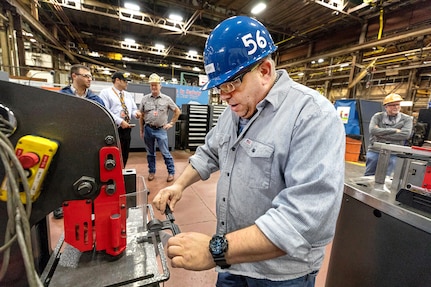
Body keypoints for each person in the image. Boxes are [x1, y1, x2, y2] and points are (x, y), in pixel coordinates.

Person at [152, 16, 345, 287]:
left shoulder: (312, 116)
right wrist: (180, 185)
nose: (224, 96)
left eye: (231, 84)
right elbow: (210, 152)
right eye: (219, 87)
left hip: (280, 276)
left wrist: (213, 251)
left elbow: (303, 220)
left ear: (265, 70)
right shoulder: (234, 112)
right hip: (233, 262)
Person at [54, 64, 105, 219]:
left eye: (90, 76)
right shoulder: (62, 96)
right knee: (63, 172)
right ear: (74, 76)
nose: (89, 79)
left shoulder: (95, 99)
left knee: (91, 172)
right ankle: (60, 204)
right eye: (86, 76)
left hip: (89, 142)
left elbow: (101, 119)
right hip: (66, 141)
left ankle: (92, 202)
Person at [139, 73, 181, 182]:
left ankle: (171, 172)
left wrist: (171, 123)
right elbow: (141, 115)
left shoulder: (166, 99)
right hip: (148, 129)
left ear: (160, 86)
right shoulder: (145, 99)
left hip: (161, 130)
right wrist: (142, 130)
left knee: (165, 152)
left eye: (155, 85)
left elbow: (177, 111)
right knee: (150, 153)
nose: (153, 87)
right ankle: (151, 172)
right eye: (151, 85)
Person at [99, 71, 141, 167]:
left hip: (126, 128)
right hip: (113, 128)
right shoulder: (106, 93)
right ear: (117, 80)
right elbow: (106, 110)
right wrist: (120, 121)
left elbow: (133, 109)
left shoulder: (127, 95)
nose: (127, 83)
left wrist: (136, 114)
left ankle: (122, 171)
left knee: (124, 152)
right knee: (113, 153)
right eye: (125, 81)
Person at [364, 93, 413, 176]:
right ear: (386, 106)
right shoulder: (378, 117)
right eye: (392, 105)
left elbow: (405, 135)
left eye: (397, 104)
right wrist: (394, 130)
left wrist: (380, 133)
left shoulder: (407, 119)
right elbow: (373, 131)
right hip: (375, 150)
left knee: (386, 178)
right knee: (369, 175)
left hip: (393, 152)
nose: (396, 107)